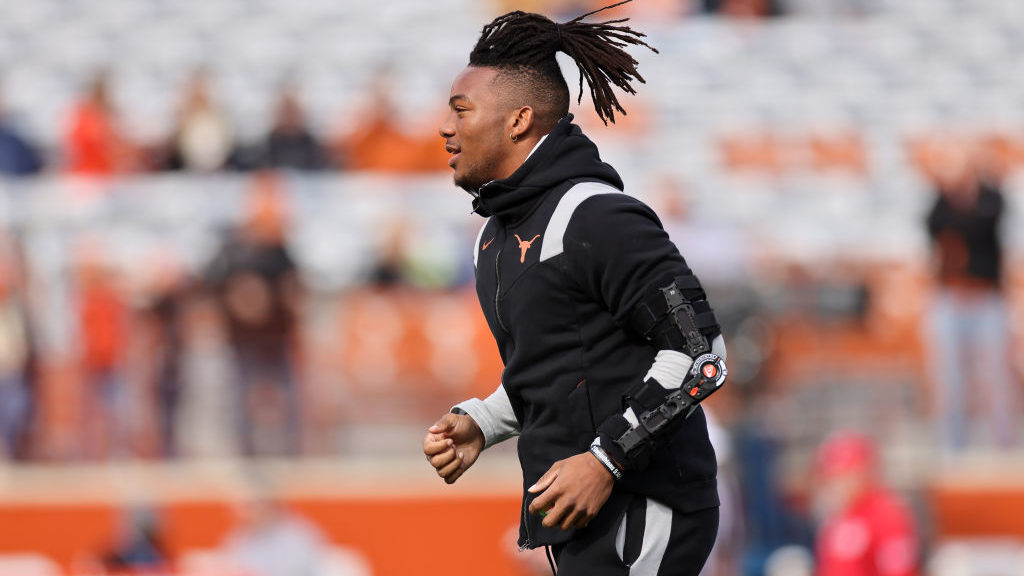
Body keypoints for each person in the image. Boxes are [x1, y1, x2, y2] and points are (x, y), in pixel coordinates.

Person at [422, 2, 727, 574]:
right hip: (578, 517)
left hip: (643, 503)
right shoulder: (494, 238)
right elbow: (561, 374)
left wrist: (605, 460)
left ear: (518, 119)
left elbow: (703, 355)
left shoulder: (596, 216)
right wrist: (483, 423)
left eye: (462, 110)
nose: (445, 127)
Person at [924, 140, 1014, 452]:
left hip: (987, 301)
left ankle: (1005, 451)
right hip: (951, 300)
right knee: (950, 383)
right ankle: (953, 451)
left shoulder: (991, 199)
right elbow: (936, 229)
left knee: (997, 383)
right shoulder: (940, 203)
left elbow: (979, 228)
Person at [813, 432, 917, 576]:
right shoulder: (835, 515)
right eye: (834, 475)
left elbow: (900, 571)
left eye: (848, 473)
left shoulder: (887, 516)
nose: (839, 482)